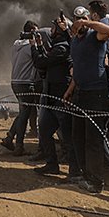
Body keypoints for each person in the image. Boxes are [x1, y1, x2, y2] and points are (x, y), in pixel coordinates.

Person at [66, 10, 109, 194]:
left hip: (96, 93)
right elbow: (77, 69)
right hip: (80, 93)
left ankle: (96, 182)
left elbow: (108, 30)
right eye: (77, 19)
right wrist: (70, 90)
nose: (79, 23)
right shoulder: (75, 41)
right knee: (77, 136)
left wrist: (85, 24)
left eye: (84, 18)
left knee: (93, 139)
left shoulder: (95, 36)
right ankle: (86, 175)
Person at [33, 14, 77, 178]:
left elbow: (41, 62)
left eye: (54, 27)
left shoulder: (63, 47)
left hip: (61, 97)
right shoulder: (57, 46)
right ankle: (52, 165)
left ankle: (75, 172)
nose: (51, 30)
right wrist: (39, 46)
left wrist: (34, 48)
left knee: (67, 137)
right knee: (44, 131)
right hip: (52, 96)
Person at [2, 22, 39, 156]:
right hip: (26, 83)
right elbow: (38, 61)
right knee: (24, 114)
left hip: (15, 82)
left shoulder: (15, 45)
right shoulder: (30, 46)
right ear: (32, 31)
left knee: (23, 112)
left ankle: (10, 137)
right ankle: (19, 146)